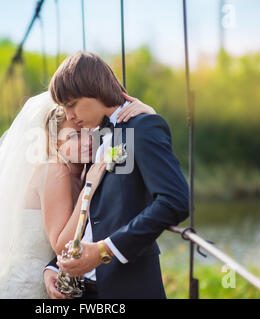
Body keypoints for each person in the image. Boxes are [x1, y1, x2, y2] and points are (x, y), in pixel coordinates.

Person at [0, 90, 156, 298]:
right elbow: (61, 245)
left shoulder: (80, 170)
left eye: (91, 133)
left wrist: (147, 114)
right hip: (27, 282)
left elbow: (131, 153)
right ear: (55, 142)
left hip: (47, 276)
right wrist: (88, 191)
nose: (88, 141)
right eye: (74, 136)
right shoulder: (55, 170)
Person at [43, 51, 190, 299]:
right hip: (82, 292)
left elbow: (175, 201)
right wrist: (55, 266)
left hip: (129, 288)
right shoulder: (99, 136)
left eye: (71, 105)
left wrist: (104, 251)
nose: (69, 116)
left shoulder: (142, 126)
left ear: (93, 91)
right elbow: (95, 217)